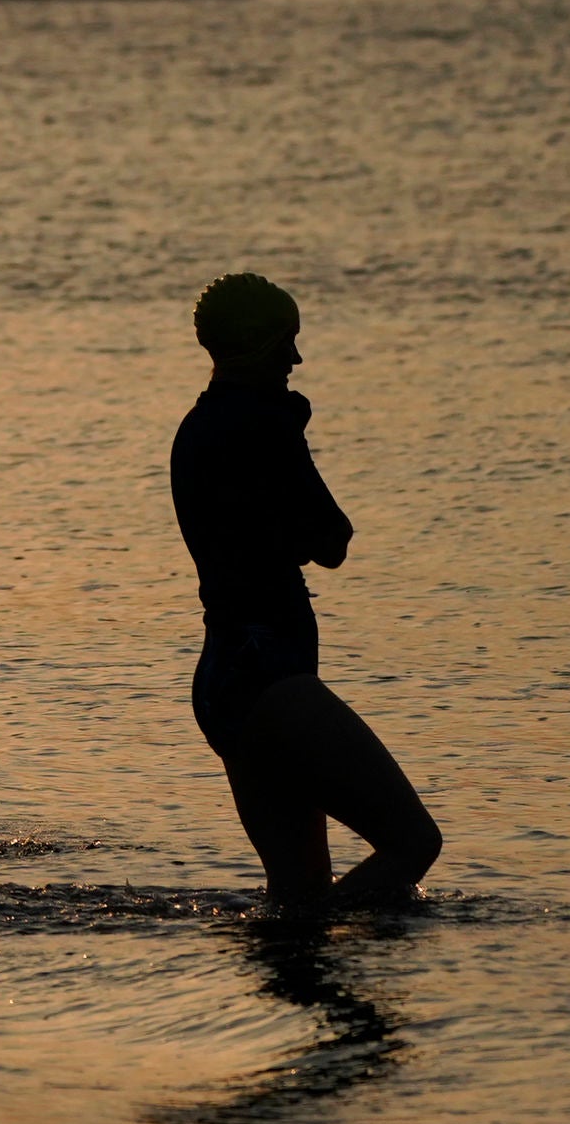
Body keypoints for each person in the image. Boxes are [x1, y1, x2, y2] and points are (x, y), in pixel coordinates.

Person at [169, 273, 440, 907]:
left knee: (296, 895)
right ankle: (360, 1007)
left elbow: (251, 534)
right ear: (256, 344)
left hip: (223, 681)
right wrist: (291, 431)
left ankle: (292, 993)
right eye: (287, 343)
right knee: (411, 844)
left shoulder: (197, 427)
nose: (296, 360)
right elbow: (333, 539)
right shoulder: (265, 426)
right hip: (273, 679)